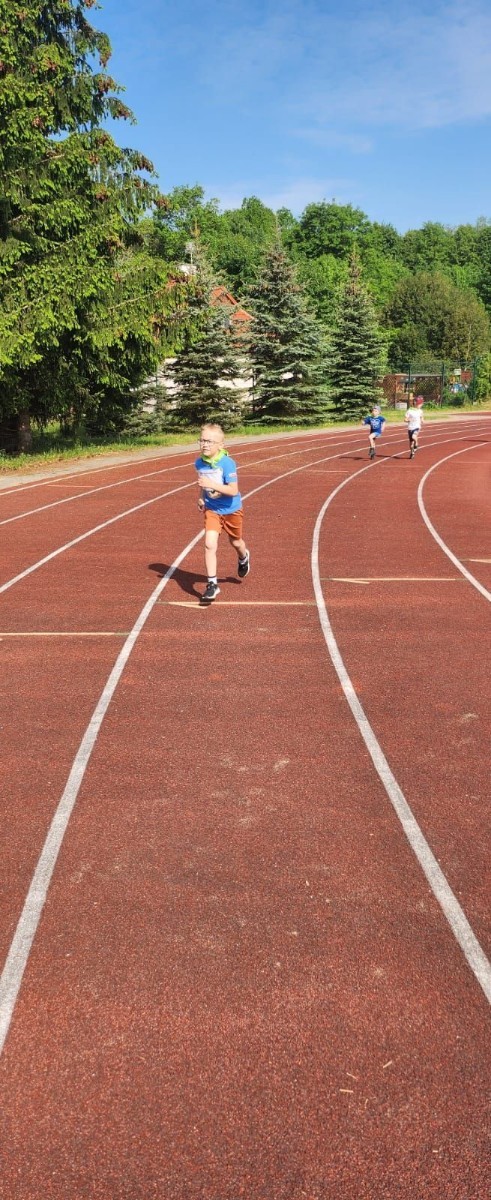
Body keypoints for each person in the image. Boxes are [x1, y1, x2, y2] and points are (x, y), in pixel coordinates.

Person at [195, 422, 250, 603]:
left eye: (210, 441)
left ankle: (243, 557)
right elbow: (203, 482)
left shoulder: (227, 463)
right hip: (213, 510)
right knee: (210, 544)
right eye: (202, 440)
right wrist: (201, 497)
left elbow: (233, 490)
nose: (205, 444)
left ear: (221, 445)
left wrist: (212, 486)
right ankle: (212, 584)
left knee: (236, 542)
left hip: (232, 510)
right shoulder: (199, 462)